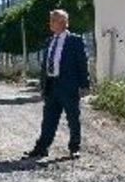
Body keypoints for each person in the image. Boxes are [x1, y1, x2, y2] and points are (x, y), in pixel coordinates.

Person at [24, 9, 90, 159]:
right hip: (51, 85)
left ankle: (74, 148)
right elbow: (45, 65)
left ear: (63, 22)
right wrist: (43, 85)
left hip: (68, 85)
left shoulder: (75, 40)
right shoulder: (50, 41)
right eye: (51, 20)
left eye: (53, 20)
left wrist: (84, 85)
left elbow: (82, 63)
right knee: (48, 119)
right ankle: (42, 148)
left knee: (73, 118)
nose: (51, 23)